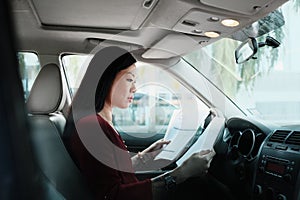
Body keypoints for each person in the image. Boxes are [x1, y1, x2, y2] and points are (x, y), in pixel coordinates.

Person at [63, 46, 216, 200]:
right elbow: (113, 195)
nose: (135, 88)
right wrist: (181, 173)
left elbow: (110, 173)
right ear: (106, 78)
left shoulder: (96, 122)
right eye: (129, 79)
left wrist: (144, 157)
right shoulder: (93, 127)